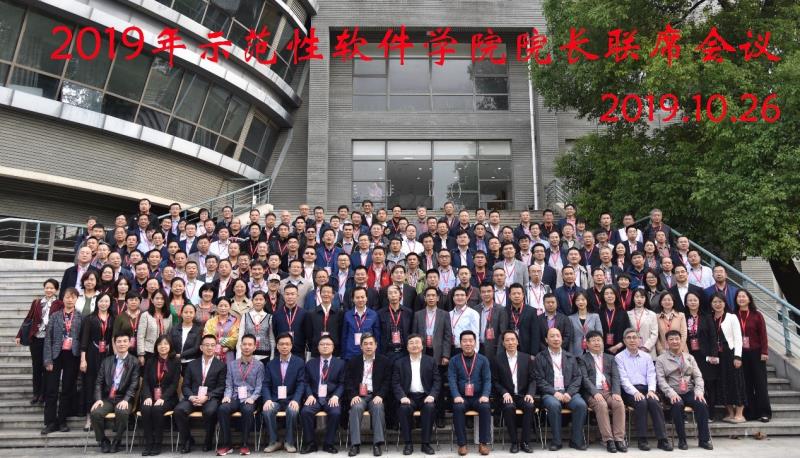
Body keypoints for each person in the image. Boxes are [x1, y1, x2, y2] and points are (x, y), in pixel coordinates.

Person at [655, 330, 714, 450]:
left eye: (677, 339)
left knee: (701, 404)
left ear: (681, 341)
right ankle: (682, 440)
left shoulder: (689, 358)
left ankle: (704, 440)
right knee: (677, 405)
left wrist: (699, 392)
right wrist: (671, 393)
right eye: (671, 339)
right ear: (667, 343)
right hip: (672, 392)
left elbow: (698, 377)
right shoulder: (661, 359)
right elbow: (661, 380)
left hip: (689, 391)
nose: (674, 342)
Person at [615, 328, 672, 451]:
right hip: (629, 391)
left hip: (647, 389)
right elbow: (623, 379)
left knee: (654, 402)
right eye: (629, 338)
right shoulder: (619, 357)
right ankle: (642, 439)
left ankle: (662, 440)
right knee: (641, 403)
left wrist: (651, 390)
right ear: (624, 341)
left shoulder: (646, 356)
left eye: (634, 337)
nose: (632, 340)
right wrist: (635, 392)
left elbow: (651, 375)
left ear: (639, 340)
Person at [533, 327, 587, 451]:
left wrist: (569, 393)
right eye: (552, 336)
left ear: (562, 339)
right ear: (546, 340)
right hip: (550, 393)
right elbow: (539, 379)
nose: (556, 339)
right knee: (554, 405)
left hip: (569, 392)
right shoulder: (540, 357)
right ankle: (556, 441)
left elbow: (577, 377)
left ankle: (576, 440)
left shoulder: (570, 356)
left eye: (558, 336)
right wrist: (554, 392)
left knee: (580, 405)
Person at [174, 334, 228, 453]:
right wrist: (191, 396)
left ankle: (208, 441)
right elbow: (185, 385)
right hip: (193, 397)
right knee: (178, 411)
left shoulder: (221, 366)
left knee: (210, 411)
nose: (209, 348)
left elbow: (221, 387)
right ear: (201, 347)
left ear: (216, 347)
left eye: (212, 345)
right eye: (207, 345)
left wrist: (207, 397)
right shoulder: (192, 364)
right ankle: (187, 440)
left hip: (210, 398)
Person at [90, 332, 140, 453]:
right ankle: (103, 440)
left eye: (125, 341)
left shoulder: (134, 362)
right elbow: (98, 382)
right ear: (115, 343)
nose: (122, 344)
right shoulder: (107, 361)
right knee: (96, 413)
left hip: (124, 398)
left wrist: (126, 400)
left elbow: (134, 384)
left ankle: (117, 440)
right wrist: (98, 399)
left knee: (122, 411)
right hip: (108, 398)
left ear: (129, 343)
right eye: (119, 341)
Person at [42, 287, 83, 435]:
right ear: (63, 298)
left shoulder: (80, 317)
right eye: (67, 297)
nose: (70, 299)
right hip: (56, 355)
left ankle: (62, 420)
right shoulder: (55, 316)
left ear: (76, 299)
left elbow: (82, 339)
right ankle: (50, 422)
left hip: (72, 355)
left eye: (73, 297)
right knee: (51, 390)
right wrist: (48, 360)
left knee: (67, 389)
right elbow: (48, 339)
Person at [16, 278, 63, 405]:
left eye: (52, 288)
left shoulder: (59, 304)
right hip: (36, 338)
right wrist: (19, 334)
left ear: (56, 290)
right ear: (44, 289)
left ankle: (44, 394)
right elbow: (28, 318)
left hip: (50, 340)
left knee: (46, 367)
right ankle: (36, 393)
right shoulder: (37, 302)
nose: (49, 290)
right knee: (36, 367)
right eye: (47, 288)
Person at [411, 286, 452, 428]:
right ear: (424, 298)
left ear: (438, 298)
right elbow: (414, 335)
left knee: (438, 386)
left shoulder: (444, 314)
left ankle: (440, 416)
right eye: (428, 295)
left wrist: (446, 355)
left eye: (433, 295)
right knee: (422, 384)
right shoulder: (418, 314)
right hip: (422, 353)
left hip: (438, 354)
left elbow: (447, 336)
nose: (431, 298)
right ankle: (420, 417)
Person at [579, 330, 626, 453]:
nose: (596, 343)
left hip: (609, 391)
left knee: (619, 404)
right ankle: (608, 440)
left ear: (603, 342)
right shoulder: (582, 359)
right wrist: (595, 392)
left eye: (598, 340)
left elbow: (615, 377)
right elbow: (584, 379)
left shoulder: (610, 358)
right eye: (593, 340)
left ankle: (619, 439)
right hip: (592, 393)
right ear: (587, 344)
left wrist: (616, 392)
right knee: (601, 405)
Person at [217, 334, 265, 456]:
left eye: (250, 345)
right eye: (244, 344)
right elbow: (229, 384)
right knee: (222, 408)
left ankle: (245, 444)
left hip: (250, 398)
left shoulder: (259, 365)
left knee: (248, 410)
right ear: (240, 346)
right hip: (234, 397)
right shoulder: (232, 364)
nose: (247, 347)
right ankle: (227, 444)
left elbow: (259, 386)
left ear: (254, 347)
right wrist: (227, 396)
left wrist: (253, 398)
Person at [344, 333, 391, 456]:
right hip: (359, 396)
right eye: (365, 344)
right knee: (355, 408)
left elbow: (387, 381)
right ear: (361, 346)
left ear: (376, 345)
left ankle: (377, 444)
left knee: (378, 407)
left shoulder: (384, 361)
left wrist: (380, 395)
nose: (368, 346)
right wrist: (353, 395)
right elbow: (348, 381)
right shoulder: (353, 361)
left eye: (371, 343)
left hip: (375, 395)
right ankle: (355, 444)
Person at [448, 330, 492, 456]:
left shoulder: (483, 360)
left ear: (475, 342)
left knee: (485, 407)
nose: (468, 343)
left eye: (470, 341)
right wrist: (456, 395)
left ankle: (483, 443)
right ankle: (462, 444)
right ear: (460, 343)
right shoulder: (454, 360)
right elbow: (451, 380)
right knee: (458, 408)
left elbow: (487, 379)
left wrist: (485, 395)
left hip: (479, 397)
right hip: (461, 397)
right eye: (465, 341)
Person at [492, 330, 536, 454]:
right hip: (507, 396)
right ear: (503, 343)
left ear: (517, 342)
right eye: (507, 340)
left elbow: (533, 379)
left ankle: (525, 442)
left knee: (530, 406)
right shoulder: (497, 359)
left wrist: (530, 393)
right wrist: (504, 392)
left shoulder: (526, 358)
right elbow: (495, 381)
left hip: (523, 395)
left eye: (513, 339)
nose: (510, 342)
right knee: (508, 407)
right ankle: (514, 442)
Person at [300, 335, 346, 454]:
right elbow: (305, 382)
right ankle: (310, 444)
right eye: (322, 344)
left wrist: (336, 396)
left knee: (335, 412)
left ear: (333, 347)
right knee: (305, 412)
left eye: (328, 344)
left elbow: (342, 383)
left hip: (331, 397)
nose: (325, 346)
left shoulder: (340, 363)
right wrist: (309, 395)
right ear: (318, 347)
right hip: (314, 397)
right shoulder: (310, 363)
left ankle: (328, 444)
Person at [261, 333, 306, 453]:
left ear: (291, 346)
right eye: (281, 344)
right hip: (275, 399)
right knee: (267, 410)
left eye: (287, 344)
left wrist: (296, 400)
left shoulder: (299, 362)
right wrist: (268, 399)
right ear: (277, 346)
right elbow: (266, 384)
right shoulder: (271, 364)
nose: (284, 346)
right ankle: (274, 441)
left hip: (291, 399)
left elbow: (301, 384)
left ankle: (289, 442)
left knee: (292, 411)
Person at [139, 335, 181, 456]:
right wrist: (147, 396)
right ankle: (149, 442)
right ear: (156, 347)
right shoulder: (150, 361)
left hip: (168, 398)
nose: (163, 346)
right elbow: (145, 381)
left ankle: (158, 443)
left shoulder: (175, 361)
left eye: (166, 344)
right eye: (160, 344)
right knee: (145, 409)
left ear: (170, 346)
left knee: (157, 409)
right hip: (151, 396)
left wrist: (163, 398)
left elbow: (174, 384)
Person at [79, 293, 114, 431]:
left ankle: (101, 415)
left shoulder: (113, 318)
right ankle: (89, 417)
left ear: (110, 303)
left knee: (106, 384)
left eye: (106, 301)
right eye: (101, 301)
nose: (104, 304)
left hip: (108, 354)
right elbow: (84, 340)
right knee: (90, 385)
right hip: (92, 354)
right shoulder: (90, 318)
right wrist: (83, 359)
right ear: (97, 303)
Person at [735, 289, 771, 422]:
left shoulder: (757, 315)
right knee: (746, 384)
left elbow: (763, 334)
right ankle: (750, 412)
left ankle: (765, 412)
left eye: (744, 296)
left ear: (749, 299)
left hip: (756, 352)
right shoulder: (733, 315)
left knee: (760, 383)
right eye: (739, 296)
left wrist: (764, 351)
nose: (741, 299)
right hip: (741, 353)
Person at [711, 292, 747, 423]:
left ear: (725, 303)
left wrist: (738, 356)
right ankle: (730, 413)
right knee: (723, 383)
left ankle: (740, 414)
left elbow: (738, 338)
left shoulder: (731, 317)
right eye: (715, 302)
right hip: (717, 355)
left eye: (720, 302)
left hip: (730, 353)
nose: (717, 304)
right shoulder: (710, 318)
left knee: (736, 382)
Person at [341, 287, 381, 360]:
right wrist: (343, 355)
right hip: (351, 354)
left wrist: (377, 354)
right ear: (353, 299)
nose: (360, 300)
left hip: (368, 353)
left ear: (366, 298)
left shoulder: (373, 314)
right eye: (357, 297)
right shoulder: (347, 315)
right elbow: (344, 336)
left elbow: (377, 336)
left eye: (362, 297)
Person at [236, 291, 275, 365]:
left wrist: (272, 356)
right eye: (256, 299)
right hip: (248, 355)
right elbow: (241, 336)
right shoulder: (245, 316)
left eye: (261, 299)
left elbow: (271, 338)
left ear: (265, 302)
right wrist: (238, 355)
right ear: (252, 301)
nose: (258, 302)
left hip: (265, 355)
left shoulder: (270, 317)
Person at [138, 289, 173, 365]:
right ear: (152, 300)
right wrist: (141, 354)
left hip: (164, 351)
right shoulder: (145, 315)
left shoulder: (169, 316)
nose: (159, 301)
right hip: (149, 351)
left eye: (162, 299)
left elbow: (169, 334)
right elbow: (140, 336)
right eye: (157, 298)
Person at [473, 281, 508, 357]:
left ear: (493, 292)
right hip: (477, 347)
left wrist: (500, 351)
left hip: (493, 348)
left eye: (489, 291)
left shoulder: (501, 310)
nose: (486, 294)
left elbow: (503, 332)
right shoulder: (475, 309)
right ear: (480, 293)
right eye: (483, 292)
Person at [203, 297, 239, 364]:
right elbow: (206, 335)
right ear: (216, 307)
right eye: (220, 306)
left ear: (230, 307)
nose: (223, 308)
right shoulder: (210, 321)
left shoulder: (235, 321)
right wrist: (215, 345)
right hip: (213, 352)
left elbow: (236, 338)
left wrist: (226, 346)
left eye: (226, 306)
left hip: (228, 353)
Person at [506, 283, 540, 355]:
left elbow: (535, 334)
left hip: (526, 350)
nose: (516, 296)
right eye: (514, 294)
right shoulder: (505, 310)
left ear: (523, 295)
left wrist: (534, 354)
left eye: (519, 293)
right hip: (509, 348)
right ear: (509, 296)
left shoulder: (532, 311)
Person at [599, 286, 630, 355]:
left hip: (620, 349)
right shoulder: (598, 313)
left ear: (616, 295)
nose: (609, 296)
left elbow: (627, 331)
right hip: (602, 350)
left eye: (612, 293)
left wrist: (619, 345)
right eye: (606, 294)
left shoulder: (623, 313)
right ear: (603, 296)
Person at [628, 288, 659, 357]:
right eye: (637, 297)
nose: (639, 299)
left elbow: (654, 334)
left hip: (648, 351)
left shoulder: (652, 314)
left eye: (642, 297)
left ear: (645, 299)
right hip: (632, 349)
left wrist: (645, 347)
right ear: (633, 299)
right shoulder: (628, 314)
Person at [170, 303, 202, 369]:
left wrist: (181, 355)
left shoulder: (198, 330)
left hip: (191, 362)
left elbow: (196, 348)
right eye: (186, 312)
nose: (188, 315)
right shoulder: (174, 328)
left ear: (194, 314)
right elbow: (170, 344)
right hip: (174, 361)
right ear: (181, 314)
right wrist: (174, 355)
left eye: (191, 312)